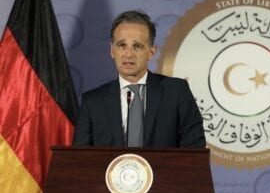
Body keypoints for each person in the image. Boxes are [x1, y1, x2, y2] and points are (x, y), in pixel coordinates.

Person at [72, 10, 206, 148]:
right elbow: (80, 160)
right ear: (112, 50)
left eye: (137, 46)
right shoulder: (93, 102)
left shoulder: (177, 92)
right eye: (122, 45)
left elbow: (194, 152)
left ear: (151, 52)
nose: (129, 54)